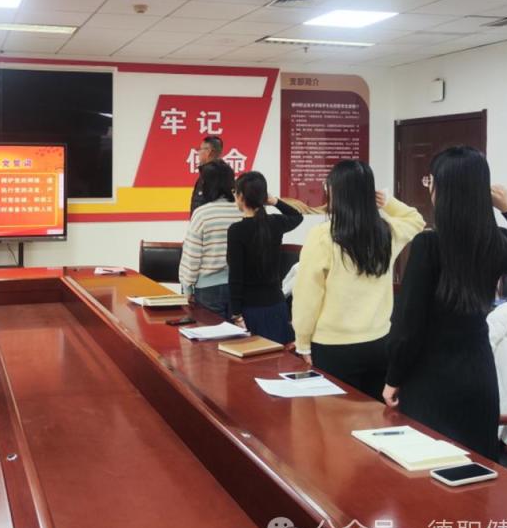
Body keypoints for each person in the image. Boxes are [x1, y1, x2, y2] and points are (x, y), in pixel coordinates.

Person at [383, 146, 507, 460]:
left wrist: (393, 377)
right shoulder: (495, 241)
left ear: (442, 190)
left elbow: (408, 325)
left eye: (430, 181)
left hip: (429, 377)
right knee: (475, 467)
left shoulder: (429, 244)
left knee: (426, 468)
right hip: (477, 374)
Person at [291, 160, 425, 400]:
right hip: (379, 342)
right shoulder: (387, 231)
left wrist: (302, 342)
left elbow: (307, 296)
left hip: (333, 347)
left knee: (333, 417)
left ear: (335, 192)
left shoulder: (322, 236)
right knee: (374, 415)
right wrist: (388, 201)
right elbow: (416, 220)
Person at [227, 171, 304, 343]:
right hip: (276, 305)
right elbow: (297, 216)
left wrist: (236, 313)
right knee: (277, 356)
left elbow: (236, 275)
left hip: (250, 309)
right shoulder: (275, 222)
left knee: (253, 357)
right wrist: (275, 201)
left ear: (240, 196)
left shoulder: (236, 230)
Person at [179, 160, 240, 318]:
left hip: (208, 290)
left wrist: (187, 288)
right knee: (237, 333)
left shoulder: (202, 214)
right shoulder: (242, 211)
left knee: (211, 333)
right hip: (239, 287)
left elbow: (192, 256)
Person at [190, 135, 226, 214]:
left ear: (208, 151)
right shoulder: (223, 172)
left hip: (207, 220)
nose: (198, 152)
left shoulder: (212, 174)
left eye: (200, 149)